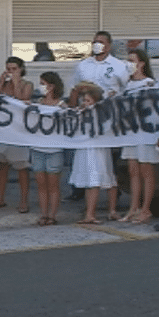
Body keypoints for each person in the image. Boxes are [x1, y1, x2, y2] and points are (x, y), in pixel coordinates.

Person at [65, 31, 129, 201]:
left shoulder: (118, 66)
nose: (96, 45)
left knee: (109, 155)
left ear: (108, 45)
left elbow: (126, 90)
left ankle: (113, 191)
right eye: (94, 41)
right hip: (85, 117)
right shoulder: (83, 65)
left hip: (109, 117)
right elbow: (73, 88)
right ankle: (79, 188)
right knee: (83, 151)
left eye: (100, 42)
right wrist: (73, 108)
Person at [69, 83, 119, 224]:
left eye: (88, 101)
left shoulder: (102, 113)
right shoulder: (81, 112)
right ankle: (93, 213)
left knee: (98, 180)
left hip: (97, 149)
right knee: (90, 181)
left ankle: (102, 212)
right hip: (86, 148)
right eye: (83, 100)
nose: (84, 103)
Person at [0, 56, 33, 213]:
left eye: (14, 69)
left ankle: (23, 201)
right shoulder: (4, 84)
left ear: (21, 69)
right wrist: (1, 82)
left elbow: (21, 102)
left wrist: (15, 83)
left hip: (18, 130)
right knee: (2, 164)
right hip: (3, 130)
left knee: (21, 167)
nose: (10, 72)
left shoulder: (27, 84)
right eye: (8, 69)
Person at [119, 49, 157, 224]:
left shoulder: (151, 84)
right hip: (131, 132)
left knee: (145, 171)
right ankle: (133, 208)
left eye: (132, 60)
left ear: (141, 63)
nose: (129, 63)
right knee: (133, 171)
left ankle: (146, 209)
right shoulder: (126, 86)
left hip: (147, 133)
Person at [30, 71, 66, 226]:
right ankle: (43, 213)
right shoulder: (38, 103)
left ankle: (52, 215)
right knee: (41, 185)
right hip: (37, 148)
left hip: (54, 150)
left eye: (43, 83)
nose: (40, 87)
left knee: (53, 184)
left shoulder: (61, 106)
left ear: (52, 86)